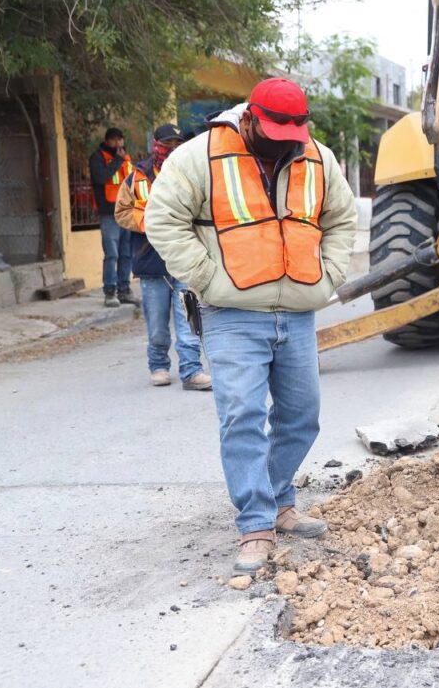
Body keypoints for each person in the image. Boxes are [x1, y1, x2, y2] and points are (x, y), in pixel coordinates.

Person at [145, 78, 357, 573]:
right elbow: (162, 219)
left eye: (293, 134)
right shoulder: (199, 157)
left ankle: (278, 498)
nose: (285, 143)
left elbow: (342, 219)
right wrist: (206, 278)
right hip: (232, 313)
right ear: (249, 119)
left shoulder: (318, 157)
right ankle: (256, 523)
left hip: (297, 310)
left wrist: (329, 277)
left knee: (302, 416)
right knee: (242, 417)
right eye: (275, 132)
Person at [114, 123, 212, 391]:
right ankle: (158, 366)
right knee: (157, 325)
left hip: (184, 261)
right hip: (151, 263)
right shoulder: (137, 176)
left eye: (176, 145)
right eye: (166, 144)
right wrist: (148, 222)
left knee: (188, 322)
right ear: (155, 144)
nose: (171, 149)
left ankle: (192, 371)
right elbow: (122, 212)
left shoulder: (189, 173)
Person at [89, 127, 136, 307]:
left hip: (127, 213)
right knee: (112, 255)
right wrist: (117, 160)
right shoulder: (98, 157)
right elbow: (101, 178)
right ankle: (110, 292)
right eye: (114, 140)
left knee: (126, 254)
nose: (118, 143)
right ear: (107, 141)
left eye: (120, 140)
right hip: (109, 214)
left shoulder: (126, 158)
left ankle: (124, 290)